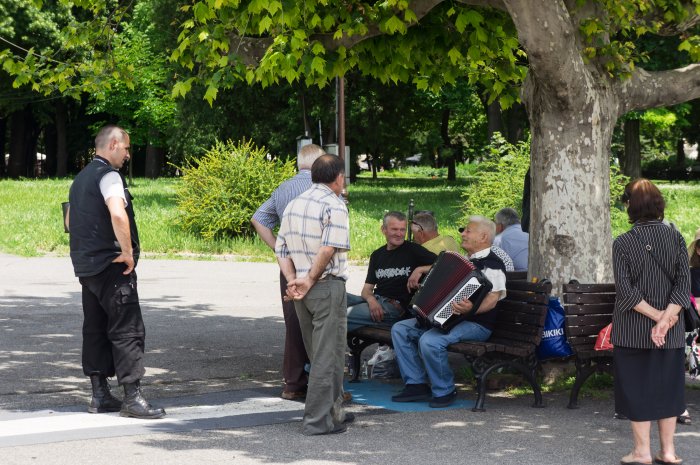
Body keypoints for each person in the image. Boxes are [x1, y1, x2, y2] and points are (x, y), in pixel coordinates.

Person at [67, 125, 165, 419]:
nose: (128, 154)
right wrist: (126, 252)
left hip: (87, 268)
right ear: (112, 144)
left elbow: (70, 221)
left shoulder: (80, 178)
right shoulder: (109, 176)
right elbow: (118, 212)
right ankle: (133, 399)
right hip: (112, 267)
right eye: (125, 148)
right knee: (128, 330)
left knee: (94, 329)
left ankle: (99, 396)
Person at [391, 216, 507, 408]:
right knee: (400, 329)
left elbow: (493, 299)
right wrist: (423, 272)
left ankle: (444, 389)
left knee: (430, 340)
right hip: (451, 319)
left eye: (468, 231)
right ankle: (416, 384)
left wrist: (472, 308)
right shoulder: (465, 261)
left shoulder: (493, 265)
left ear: (484, 236)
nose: (462, 234)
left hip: (477, 324)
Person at [612, 178, 689, 465]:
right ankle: (668, 451)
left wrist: (656, 318)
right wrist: (666, 321)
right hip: (671, 329)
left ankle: (641, 452)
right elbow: (683, 287)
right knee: (668, 387)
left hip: (632, 329)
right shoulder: (677, 237)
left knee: (636, 387)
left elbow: (626, 293)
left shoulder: (622, 243)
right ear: (658, 204)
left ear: (631, 205)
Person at [275, 154, 352, 435]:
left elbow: (280, 248)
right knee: (326, 356)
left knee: (317, 352)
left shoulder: (295, 204)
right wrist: (308, 279)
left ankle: (334, 413)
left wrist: (294, 279)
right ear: (338, 178)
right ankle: (318, 422)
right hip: (325, 285)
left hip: (301, 289)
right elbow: (329, 248)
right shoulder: (335, 204)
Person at [251, 143, 325, 400]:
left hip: (289, 263)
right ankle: (322, 384)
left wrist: (278, 247)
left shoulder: (283, 188)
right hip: (316, 263)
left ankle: (293, 384)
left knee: (294, 322)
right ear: (319, 164)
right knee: (321, 323)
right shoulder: (321, 189)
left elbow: (258, 218)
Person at [346, 211, 437, 332]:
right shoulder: (377, 255)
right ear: (383, 229)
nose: (399, 234)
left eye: (402, 230)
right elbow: (367, 290)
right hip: (376, 300)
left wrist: (420, 269)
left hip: (394, 308)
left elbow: (445, 263)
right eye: (394, 229)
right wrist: (372, 301)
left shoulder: (413, 250)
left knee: (340, 316)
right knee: (334, 299)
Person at [493, 207, 529, 272]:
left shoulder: (499, 239)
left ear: (500, 225)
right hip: (537, 276)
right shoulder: (528, 233)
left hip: (515, 279)